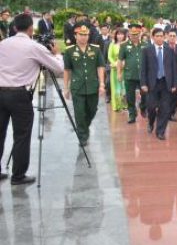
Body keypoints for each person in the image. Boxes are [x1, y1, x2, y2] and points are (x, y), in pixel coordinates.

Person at [0, 14, 64, 185]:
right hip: (19, 95)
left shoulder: (3, 44)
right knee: (21, 135)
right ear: (30, 29)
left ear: (14, 28)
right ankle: (18, 175)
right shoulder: (33, 47)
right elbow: (58, 69)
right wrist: (57, 54)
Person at [63, 23, 105, 146]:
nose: (83, 37)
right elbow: (66, 70)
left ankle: (84, 128)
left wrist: (102, 84)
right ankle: (82, 136)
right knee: (79, 113)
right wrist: (65, 88)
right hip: (77, 88)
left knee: (92, 110)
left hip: (93, 86)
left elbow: (100, 67)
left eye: (86, 35)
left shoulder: (95, 49)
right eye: (81, 35)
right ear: (75, 35)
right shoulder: (69, 51)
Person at [140, 28, 177, 140]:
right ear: (152, 37)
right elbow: (143, 69)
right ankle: (151, 122)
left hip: (166, 83)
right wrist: (143, 84)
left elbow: (173, 68)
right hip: (152, 83)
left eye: (161, 36)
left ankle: (160, 131)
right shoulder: (147, 50)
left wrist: (174, 84)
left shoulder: (169, 50)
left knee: (165, 108)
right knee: (151, 107)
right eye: (157, 36)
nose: (159, 38)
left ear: (164, 37)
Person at [118, 24, 147, 124]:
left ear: (140, 34)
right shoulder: (124, 46)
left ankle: (143, 107)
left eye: (136, 34)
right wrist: (119, 73)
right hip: (129, 74)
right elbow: (120, 60)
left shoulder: (145, 45)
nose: (134, 36)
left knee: (145, 94)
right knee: (130, 97)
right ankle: (132, 114)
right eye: (132, 34)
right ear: (129, 34)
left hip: (143, 75)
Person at [108, 28, 128, 112]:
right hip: (115, 69)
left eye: (122, 34)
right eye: (118, 34)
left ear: (124, 35)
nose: (120, 36)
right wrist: (115, 63)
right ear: (116, 35)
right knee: (116, 87)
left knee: (124, 87)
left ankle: (125, 105)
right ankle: (116, 106)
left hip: (125, 69)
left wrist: (125, 62)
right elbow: (109, 56)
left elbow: (129, 56)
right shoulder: (112, 44)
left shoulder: (127, 45)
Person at [98, 24, 111, 103]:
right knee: (108, 81)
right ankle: (108, 95)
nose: (104, 31)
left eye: (106, 29)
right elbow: (104, 54)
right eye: (103, 29)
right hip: (108, 64)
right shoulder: (99, 38)